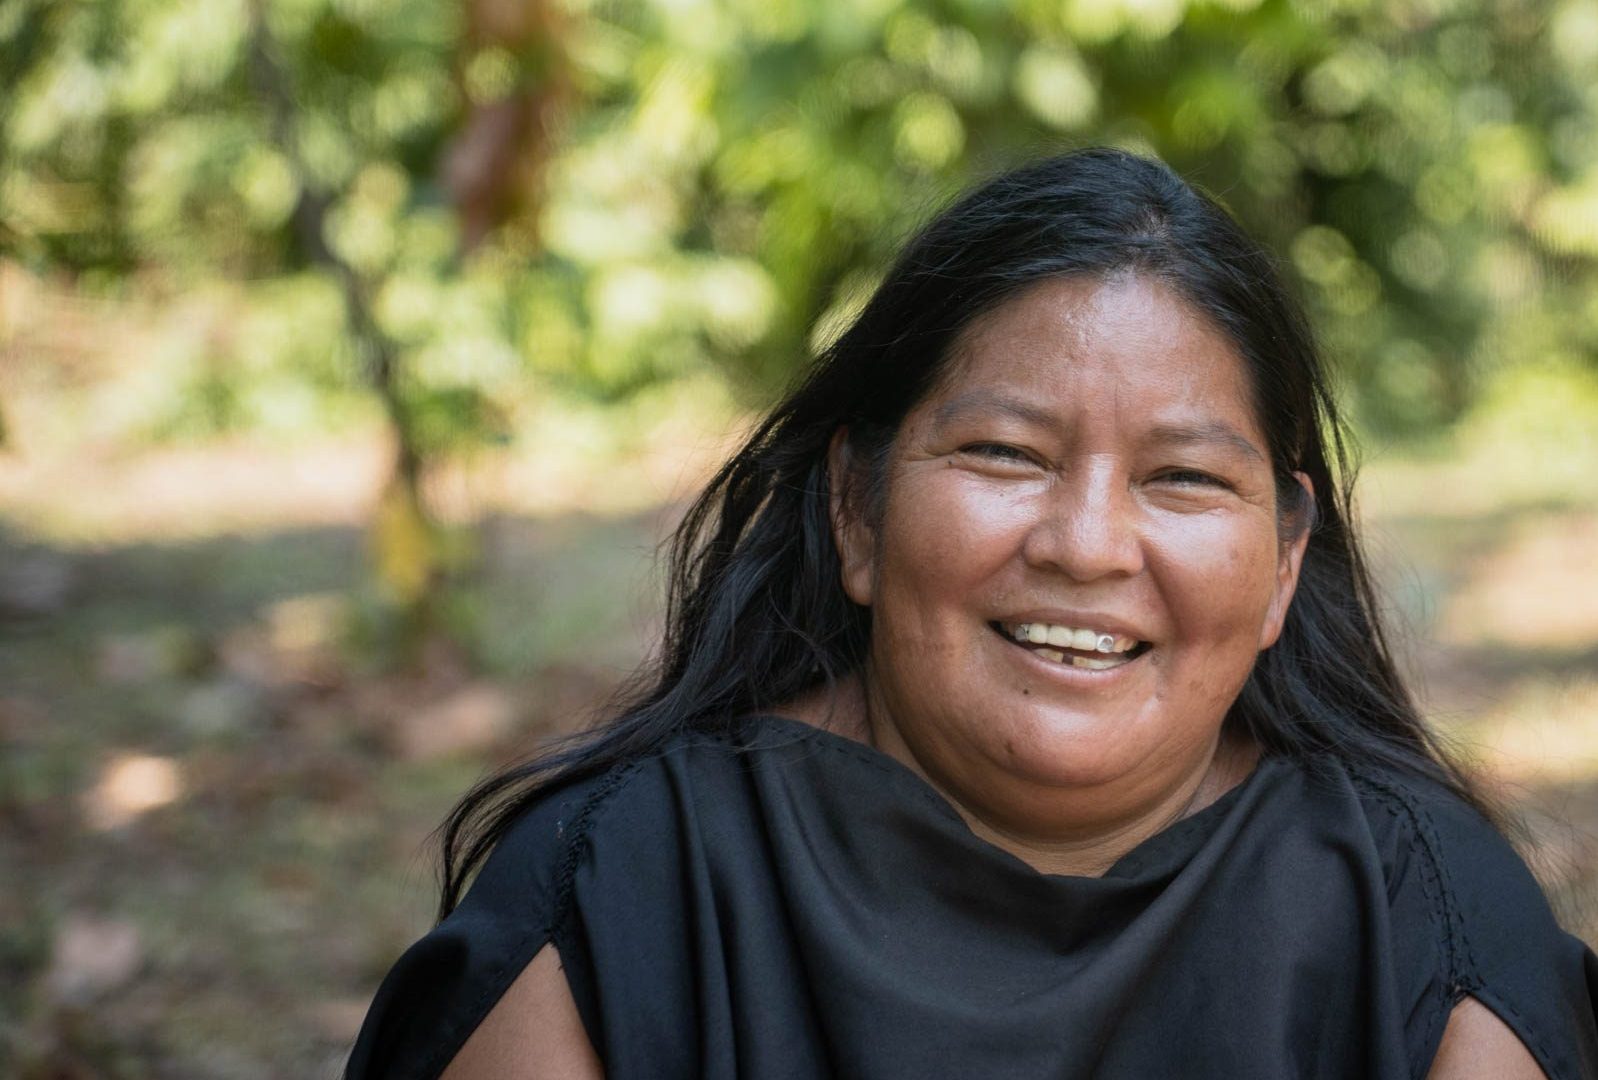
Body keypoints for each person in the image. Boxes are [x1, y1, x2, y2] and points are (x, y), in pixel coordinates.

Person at [345, 149, 1598, 1079]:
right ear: (855, 511)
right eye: (1004, 453)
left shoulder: (1427, 927)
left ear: (1279, 565)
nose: (1085, 544)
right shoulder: (623, 891)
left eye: (1180, 478)